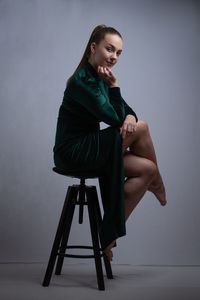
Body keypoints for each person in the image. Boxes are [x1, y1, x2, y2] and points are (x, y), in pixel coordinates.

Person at [53, 24, 167, 262]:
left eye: (118, 53)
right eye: (109, 49)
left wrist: (127, 114)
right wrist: (115, 89)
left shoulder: (101, 75)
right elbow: (114, 117)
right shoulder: (81, 81)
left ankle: (108, 236)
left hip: (91, 147)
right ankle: (158, 184)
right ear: (93, 47)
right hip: (73, 151)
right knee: (142, 127)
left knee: (148, 168)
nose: (114, 57)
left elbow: (128, 113)